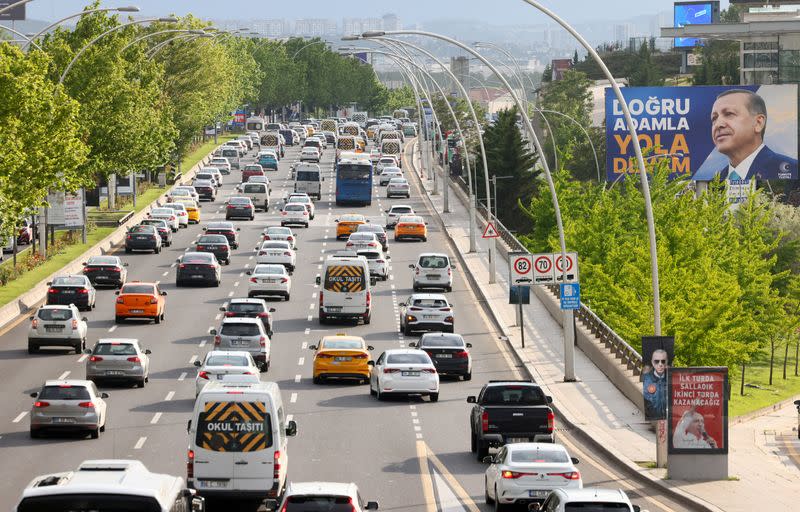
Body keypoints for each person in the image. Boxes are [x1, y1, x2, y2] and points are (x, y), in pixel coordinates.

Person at [710, 89, 797, 181]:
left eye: (729, 114)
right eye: (714, 118)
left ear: (758, 123)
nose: (718, 124)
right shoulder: (715, 182)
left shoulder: (793, 169)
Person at [642, 349, 668, 420]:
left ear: (666, 362)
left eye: (663, 361)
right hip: (653, 419)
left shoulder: (671, 378)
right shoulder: (646, 379)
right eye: (657, 361)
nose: (660, 364)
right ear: (652, 363)